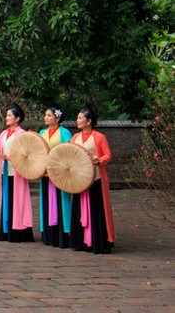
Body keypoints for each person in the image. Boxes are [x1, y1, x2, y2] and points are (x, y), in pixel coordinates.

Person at [69, 105, 115, 254]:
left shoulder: (99, 137)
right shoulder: (75, 137)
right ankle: (80, 241)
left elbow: (107, 155)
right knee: (78, 208)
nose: (77, 120)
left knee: (96, 209)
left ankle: (97, 241)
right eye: (77, 118)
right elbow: (70, 153)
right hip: (79, 178)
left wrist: (99, 160)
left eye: (80, 118)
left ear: (89, 121)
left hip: (95, 178)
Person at [0, 103, 34, 242]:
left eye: (9, 115)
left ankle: (19, 230)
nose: (6, 117)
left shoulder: (22, 134)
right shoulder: (4, 133)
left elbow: (26, 153)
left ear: (17, 118)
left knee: (18, 201)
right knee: (7, 200)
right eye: (6, 115)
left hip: (18, 172)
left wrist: (9, 157)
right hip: (5, 171)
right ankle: (7, 229)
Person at [39, 105, 73, 248]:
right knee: (46, 201)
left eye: (49, 115)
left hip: (60, 172)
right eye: (45, 115)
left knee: (62, 201)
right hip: (45, 173)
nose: (46, 118)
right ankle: (48, 233)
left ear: (57, 117)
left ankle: (63, 233)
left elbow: (69, 151)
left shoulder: (65, 133)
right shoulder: (42, 132)